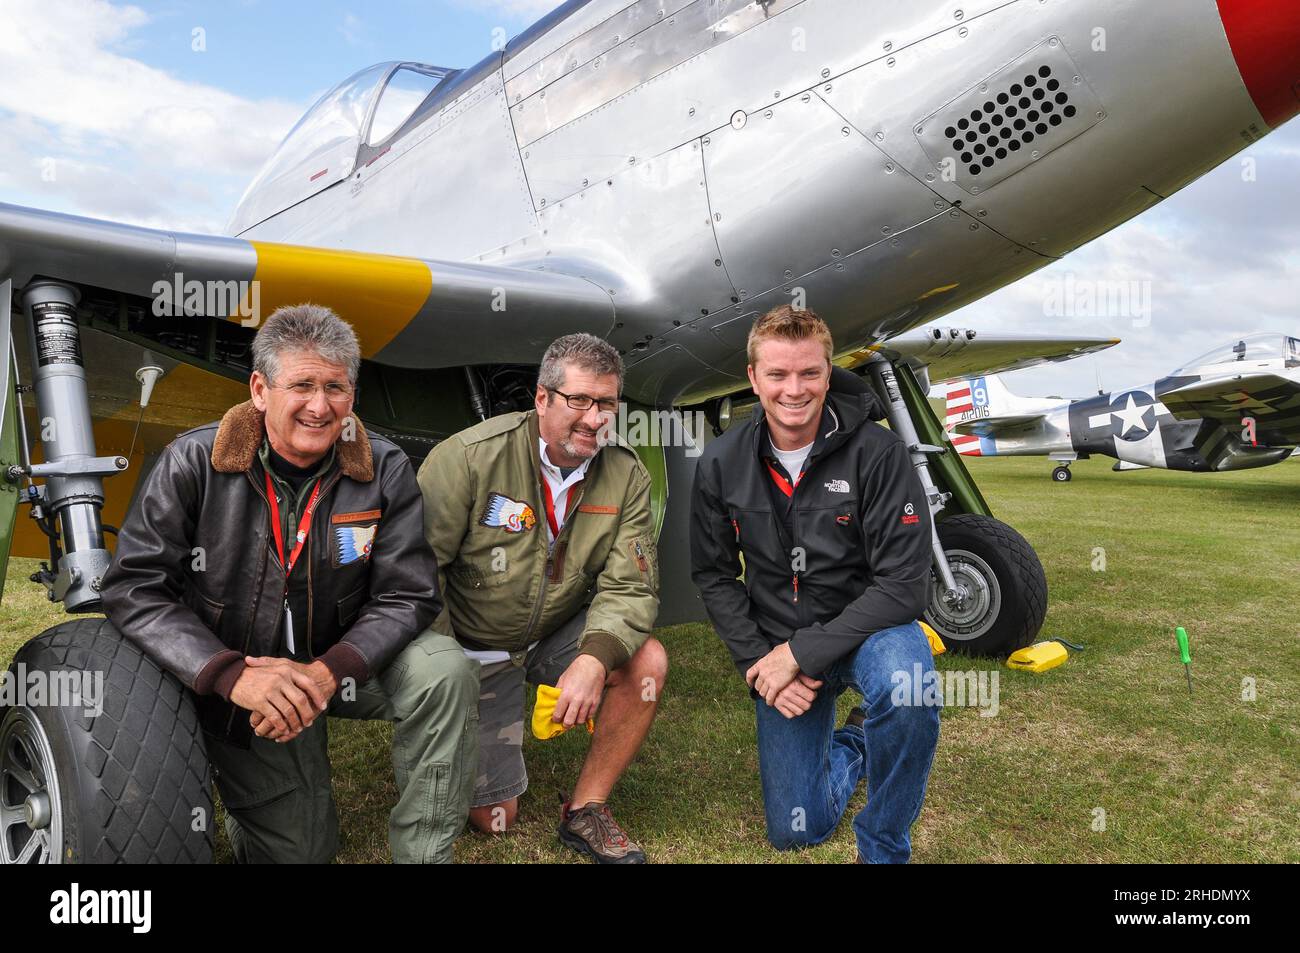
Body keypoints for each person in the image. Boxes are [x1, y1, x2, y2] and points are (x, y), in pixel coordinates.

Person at [101, 303, 478, 864]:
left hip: (337, 661)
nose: (320, 406)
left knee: (445, 669)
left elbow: (408, 593)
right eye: (302, 385)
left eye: (336, 387)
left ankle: (425, 854)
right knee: (303, 852)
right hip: (239, 674)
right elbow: (134, 588)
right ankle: (248, 790)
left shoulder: (384, 466)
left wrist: (330, 673)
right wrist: (230, 676)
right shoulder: (192, 462)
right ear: (259, 388)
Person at [689, 304, 940, 863]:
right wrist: (761, 663)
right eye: (777, 374)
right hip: (777, 642)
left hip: (868, 632)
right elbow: (714, 574)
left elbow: (905, 586)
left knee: (908, 686)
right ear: (752, 378)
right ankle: (854, 743)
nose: (793, 390)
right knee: (797, 832)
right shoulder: (721, 462)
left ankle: (883, 842)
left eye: (809, 373)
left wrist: (800, 654)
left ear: (830, 374)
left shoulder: (880, 454)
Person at [418, 332, 667, 864]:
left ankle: (586, 810)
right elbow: (416, 576)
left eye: (606, 403)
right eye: (578, 400)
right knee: (495, 819)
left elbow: (630, 586)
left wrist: (594, 661)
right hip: (470, 648)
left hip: (550, 634)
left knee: (647, 659)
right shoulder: (466, 458)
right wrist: (446, 668)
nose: (594, 418)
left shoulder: (625, 476)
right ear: (542, 399)